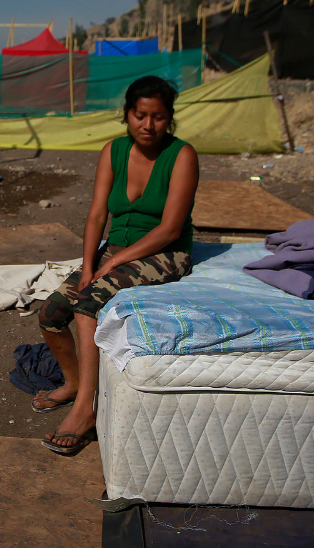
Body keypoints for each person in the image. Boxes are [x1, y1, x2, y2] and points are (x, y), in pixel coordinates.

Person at [33, 75, 198, 455]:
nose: (148, 125)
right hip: (116, 249)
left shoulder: (182, 155)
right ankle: (73, 382)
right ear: (127, 114)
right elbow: (95, 216)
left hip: (165, 252)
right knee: (51, 312)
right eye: (140, 115)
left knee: (89, 304)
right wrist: (90, 264)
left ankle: (84, 410)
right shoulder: (114, 151)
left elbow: (171, 227)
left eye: (158, 117)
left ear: (169, 118)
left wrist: (116, 260)